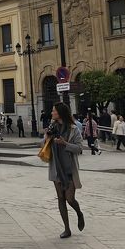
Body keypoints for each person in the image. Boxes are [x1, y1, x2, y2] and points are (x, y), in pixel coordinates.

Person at [43, 102, 84, 239]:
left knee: (70, 198)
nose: (52, 113)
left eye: (54, 111)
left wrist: (64, 143)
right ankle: (67, 229)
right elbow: (44, 144)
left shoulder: (73, 129)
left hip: (69, 168)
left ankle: (79, 213)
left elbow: (79, 148)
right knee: (61, 198)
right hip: (56, 167)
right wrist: (47, 137)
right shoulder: (52, 127)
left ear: (60, 113)